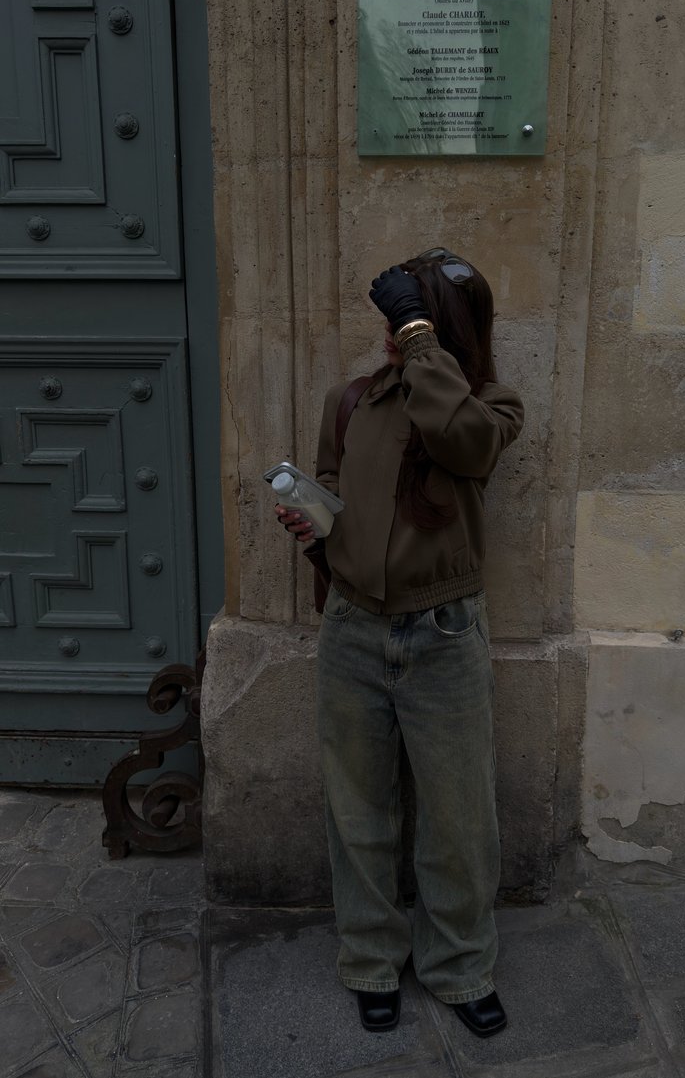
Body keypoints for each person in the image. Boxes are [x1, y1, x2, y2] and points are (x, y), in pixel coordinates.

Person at [275, 248, 524, 1038]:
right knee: (359, 810)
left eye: (408, 317)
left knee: (457, 819)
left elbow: (466, 445)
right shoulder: (350, 401)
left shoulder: (489, 407)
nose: (391, 331)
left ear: (442, 329)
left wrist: (421, 338)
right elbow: (337, 500)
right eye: (393, 316)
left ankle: (458, 965)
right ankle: (372, 957)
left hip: (444, 632)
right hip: (353, 630)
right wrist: (310, 519)